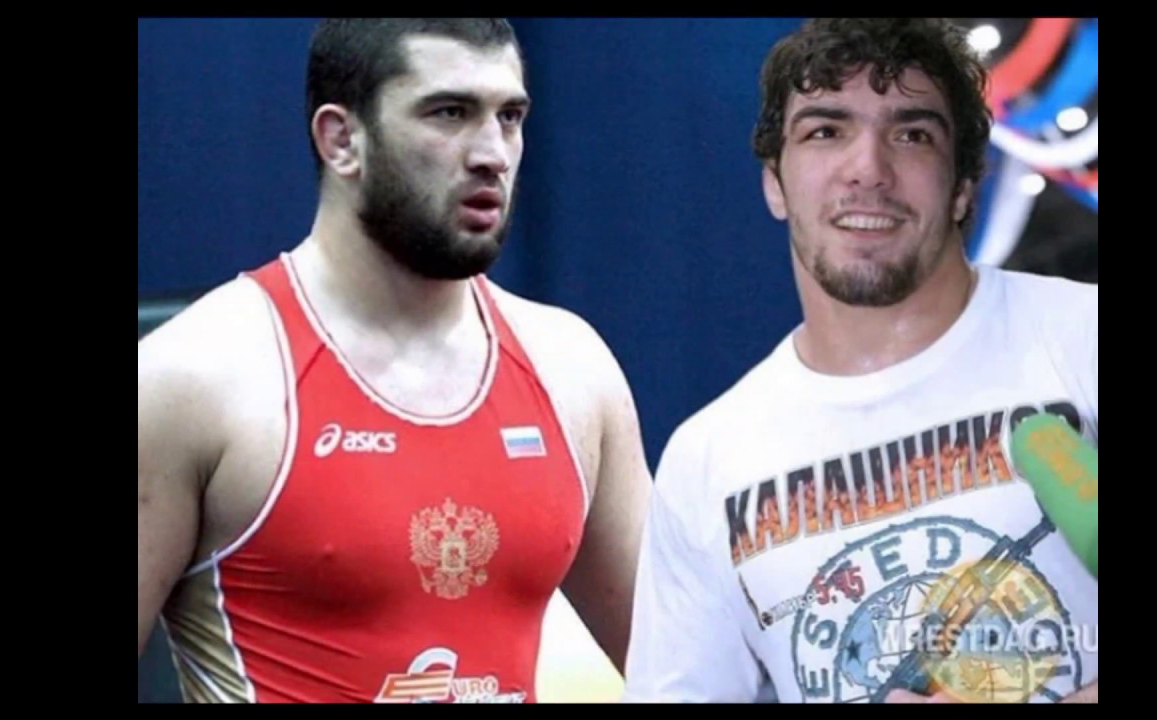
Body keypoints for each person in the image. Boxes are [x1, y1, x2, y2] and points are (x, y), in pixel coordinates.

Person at [137, 18, 652, 703]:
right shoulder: (194, 379)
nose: (492, 154)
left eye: (509, 117)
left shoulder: (572, 370)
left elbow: (690, 670)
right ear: (341, 140)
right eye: (449, 113)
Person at [621, 18, 1097, 704]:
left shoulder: (1083, 339)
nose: (868, 169)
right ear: (774, 183)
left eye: (912, 135)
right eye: (825, 131)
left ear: (964, 185)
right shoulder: (707, 461)